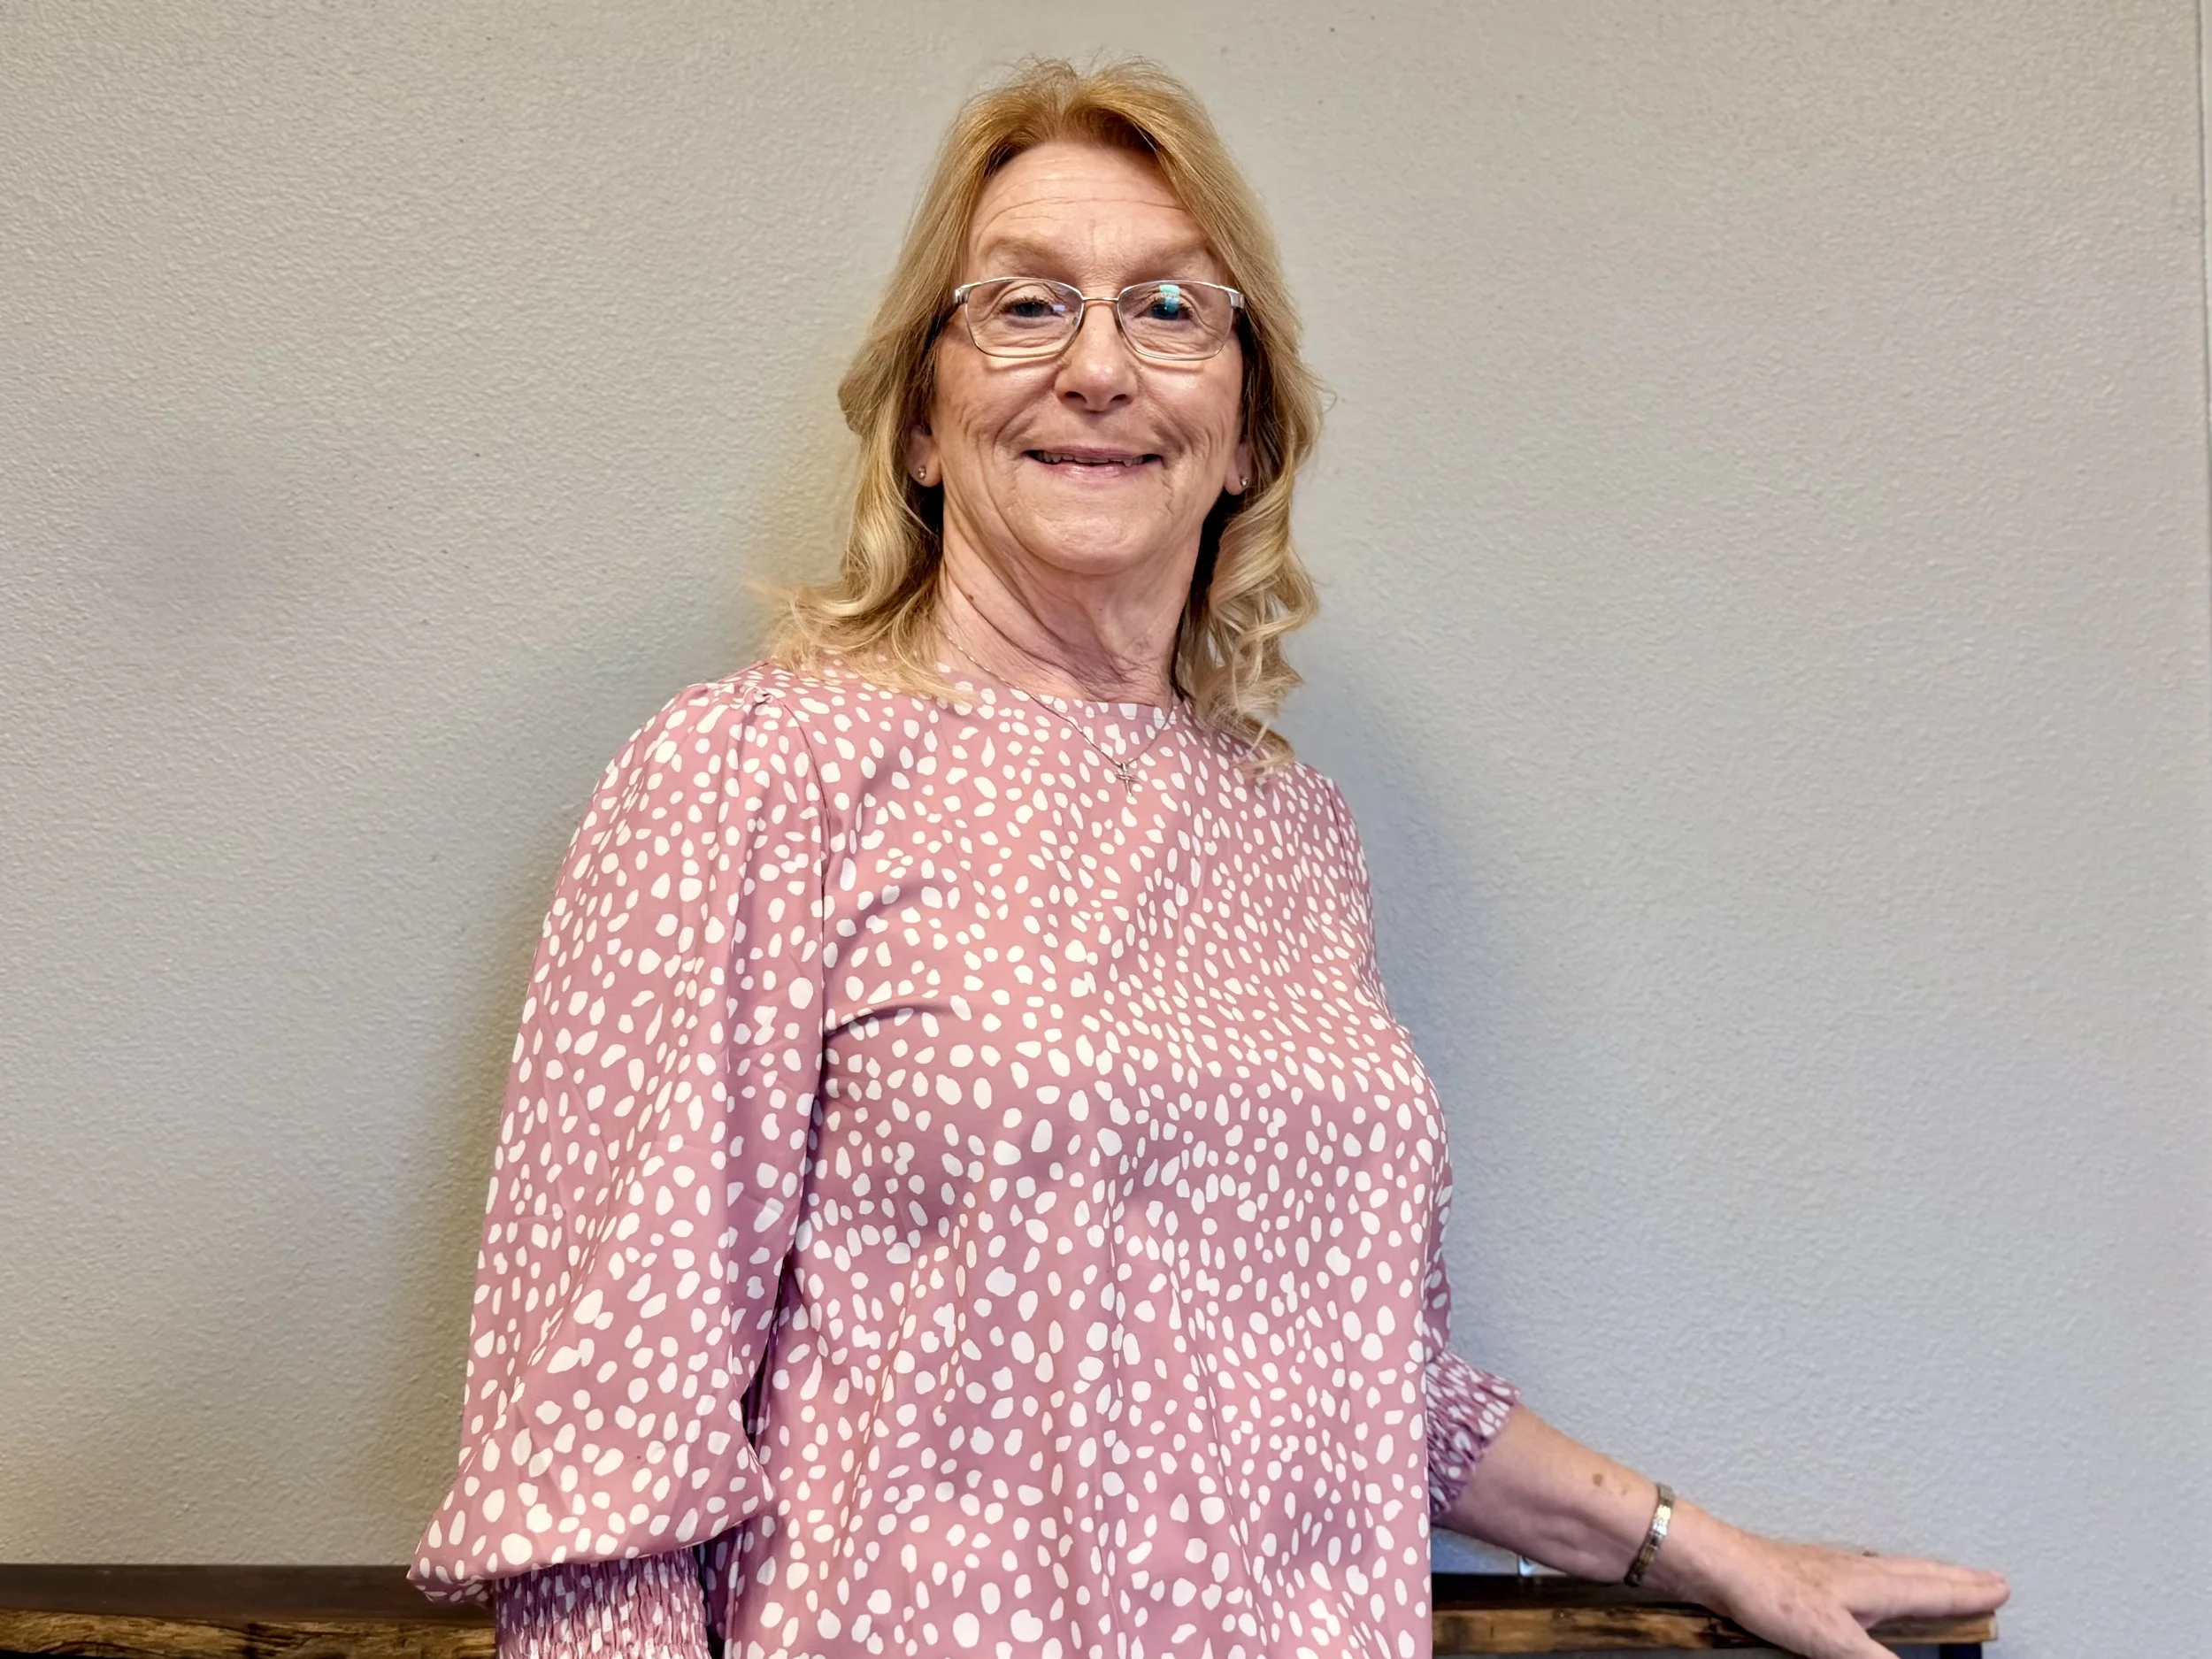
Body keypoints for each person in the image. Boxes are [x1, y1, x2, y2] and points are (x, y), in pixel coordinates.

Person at [408, 57, 2008, 1659]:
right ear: (919, 413)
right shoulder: (757, 772)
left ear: (1246, 428)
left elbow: (1358, 1371)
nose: (1099, 368)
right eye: (1025, 307)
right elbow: (596, 1452)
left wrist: (1706, 1553)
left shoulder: (1288, 830)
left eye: (1171, 311)